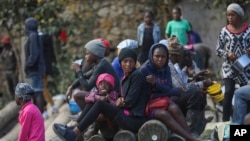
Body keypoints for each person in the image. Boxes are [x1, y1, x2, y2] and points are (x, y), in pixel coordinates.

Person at [53, 48, 149, 140]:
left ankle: (74, 134)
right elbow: (121, 98)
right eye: (125, 61)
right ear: (120, 63)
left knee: (100, 103)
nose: (128, 64)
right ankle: (75, 127)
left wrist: (115, 102)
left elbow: (129, 102)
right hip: (125, 114)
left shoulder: (137, 75)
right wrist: (111, 99)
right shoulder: (126, 77)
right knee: (95, 99)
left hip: (133, 120)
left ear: (135, 62)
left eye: (131, 61)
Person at [140, 43, 200, 141]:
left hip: (161, 100)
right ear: (151, 56)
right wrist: (167, 91)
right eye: (157, 56)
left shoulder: (166, 68)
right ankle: (190, 139)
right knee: (164, 114)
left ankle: (189, 135)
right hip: (147, 106)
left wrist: (156, 85)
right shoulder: (144, 70)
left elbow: (168, 87)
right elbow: (146, 95)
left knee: (174, 107)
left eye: (163, 57)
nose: (160, 59)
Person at [167, 36, 211, 137]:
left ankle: (199, 121)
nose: (182, 56)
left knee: (197, 90)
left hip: (174, 94)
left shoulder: (175, 66)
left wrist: (197, 79)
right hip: (169, 97)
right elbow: (182, 88)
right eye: (181, 54)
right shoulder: (170, 66)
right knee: (194, 92)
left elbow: (183, 84)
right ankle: (190, 129)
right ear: (177, 55)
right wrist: (202, 84)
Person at [54, 73, 119, 140]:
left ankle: (75, 133)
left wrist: (109, 99)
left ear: (110, 87)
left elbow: (115, 106)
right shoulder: (97, 92)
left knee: (98, 103)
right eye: (101, 84)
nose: (103, 86)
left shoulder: (113, 94)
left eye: (106, 84)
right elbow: (88, 98)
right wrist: (98, 97)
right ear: (98, 86)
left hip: (110, 124)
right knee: (91, 102)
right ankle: (75, 126)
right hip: (99, 118)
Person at [215, 3, 250, 121]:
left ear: (239, 16)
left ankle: (246, 121)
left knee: (245, 95)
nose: (230, 18)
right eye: (228, 15)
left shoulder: (248, 30)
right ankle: (225, 122)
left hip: (244, 68)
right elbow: (218, 50)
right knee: (228, 93)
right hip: (229, 68)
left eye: (232, 15)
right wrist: (227, 54)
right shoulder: (224, 31)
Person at [66, 39, 120, 110]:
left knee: (78, 95)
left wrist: (78, 70)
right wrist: (71, 87)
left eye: (87, 53)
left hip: (112, 100)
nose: (85, 56)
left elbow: (87, 87)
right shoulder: (100, 64)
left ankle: (90, 119)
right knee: (90, 94)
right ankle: (85, 117)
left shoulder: (102, 66)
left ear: (95, 54)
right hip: (106, 96)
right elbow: (85, 76)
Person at [24, 17, 46, 114]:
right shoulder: (34, 35)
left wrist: (28, 64)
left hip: (35, 68)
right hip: (37, 68)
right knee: (37, 92)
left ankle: (39, 115)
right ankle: (38, 114)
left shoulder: (33, 36)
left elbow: (34, 54)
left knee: (37, 92)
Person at [39, 32, 58, 119]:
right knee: (44, 88)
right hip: (47, 68)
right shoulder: (48, 40)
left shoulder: (38, 41)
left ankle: (46, 109)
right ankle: (51, 106)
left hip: (41, 68)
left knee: (42, 89)